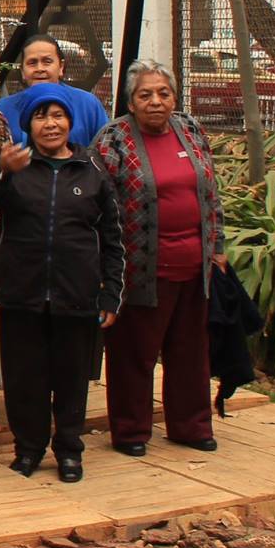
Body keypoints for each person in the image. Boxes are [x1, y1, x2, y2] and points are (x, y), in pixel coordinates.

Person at [0, 83, 123, 484]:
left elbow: (112, 237)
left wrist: (109, 292)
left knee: (71, 379)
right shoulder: (15, 168)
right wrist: (2, 172)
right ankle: (28, 449)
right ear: (28, 125)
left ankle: (69, 451)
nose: (50, 124)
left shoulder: (92, 171)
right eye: (40, 116)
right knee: (24, 379)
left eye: (58, 116)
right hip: (22, 295)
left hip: (77, 297)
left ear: (70, 123)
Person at [93, 62, 225, 457]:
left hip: (194, 267)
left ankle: (191, 425)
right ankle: (131, 431)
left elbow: (210, 192)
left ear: (174, 96)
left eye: (163, 93)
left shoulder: (191, 130)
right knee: (135, 353)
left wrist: (217, 246)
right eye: (145, 95)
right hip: (140, 270)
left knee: (191, 352)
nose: (155, 101)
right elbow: (99, 206)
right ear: (131, 102)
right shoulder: (113, 140)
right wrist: (106, 269)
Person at [0, 32, 110, 149]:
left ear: (61, 67)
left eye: (47, 61)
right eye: (32, 63)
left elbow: (105, 151)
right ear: (23, 71)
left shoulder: (87, 104)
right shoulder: (4, 108)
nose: (40, 69)